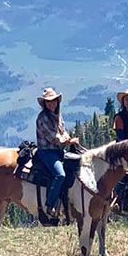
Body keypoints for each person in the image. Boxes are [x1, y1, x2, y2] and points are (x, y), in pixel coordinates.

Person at [35, 88, 82, 221]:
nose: (51, 104)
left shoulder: (57, 115)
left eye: (53, 101)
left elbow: (63, 131)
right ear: (44, 104)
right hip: (47, 152)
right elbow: (54, 138)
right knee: (60, 174)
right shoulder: (42, 118)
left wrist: (69, 138)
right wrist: (68, 141)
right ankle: (50, 205)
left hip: (58, 151)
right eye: (48, 102)